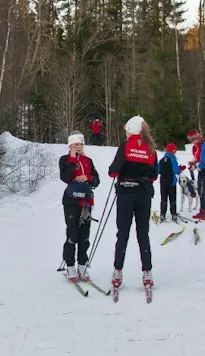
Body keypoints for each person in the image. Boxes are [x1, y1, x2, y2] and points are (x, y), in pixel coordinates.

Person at [107, 115, 158, 293]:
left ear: (131, 130)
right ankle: (147, 271)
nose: (126, 133)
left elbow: (113, 172)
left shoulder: (126, 146)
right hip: (143, 195)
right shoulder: (151, 148)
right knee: (143, 234)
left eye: (127, 130)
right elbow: (153, 175)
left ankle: (118, 271)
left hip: (126, 194)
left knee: (123, 233)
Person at [59, 133, 100, 282]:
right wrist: (72, 159)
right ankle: (70, 265)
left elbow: (96, 180)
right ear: (70, 146)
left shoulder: (88, 161)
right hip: (71, 201)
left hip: (86, 202)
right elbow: (65, 177)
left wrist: (88, 178)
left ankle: (82, 265)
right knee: (72, 233)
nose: (79, 147)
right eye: (76, 145)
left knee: (85, 236)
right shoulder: (65, 160)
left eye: (81, 145)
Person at [187, 128, 205, 222]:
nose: (193, 142)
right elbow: (196, 157)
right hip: (200, 169)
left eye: (194, 139)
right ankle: (203, 209)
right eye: (191, 140)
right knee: (200, 189)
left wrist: (195, 165)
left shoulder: (204, 144)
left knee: (204, 190)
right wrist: (193, 162)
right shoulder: (195, 147)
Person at [158, 143, 181, 223]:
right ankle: (173, 214)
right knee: (172, 198)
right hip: (172, 182)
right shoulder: (173, 159)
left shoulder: (161, 160)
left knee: (163, 198)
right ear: (173, 151)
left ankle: (162, 214)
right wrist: (180, 169)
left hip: (163, 182)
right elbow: (176, 171)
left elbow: (158, 170)